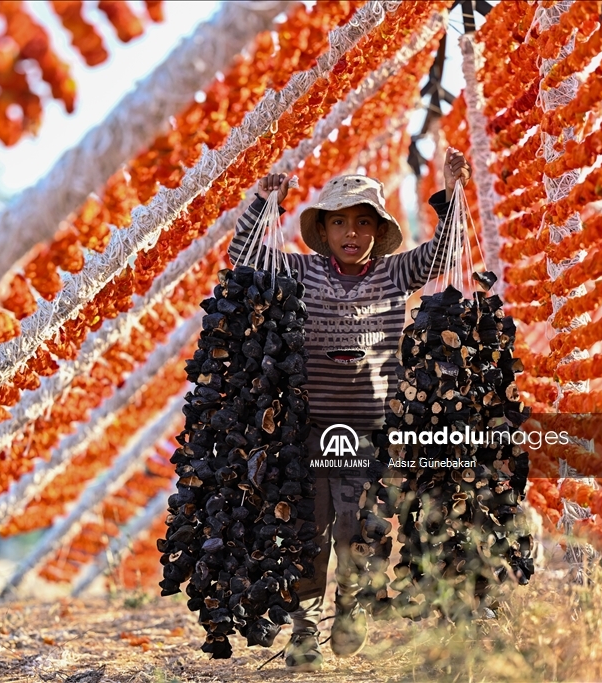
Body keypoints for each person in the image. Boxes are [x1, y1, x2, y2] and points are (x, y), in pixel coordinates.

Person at [226, 149, 472, 671]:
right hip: (311, 430)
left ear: (378, 231)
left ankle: (351, 609)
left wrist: (451, 192)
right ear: (325, 229)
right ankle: (303, 628)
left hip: (370, 431)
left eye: (363, 223)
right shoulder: (302, 273)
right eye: (340, 222)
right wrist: (262, 200)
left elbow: (443, 255)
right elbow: (243, 257)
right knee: (307, 531)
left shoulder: (393, 274)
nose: (352, 233)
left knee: (360, 530)